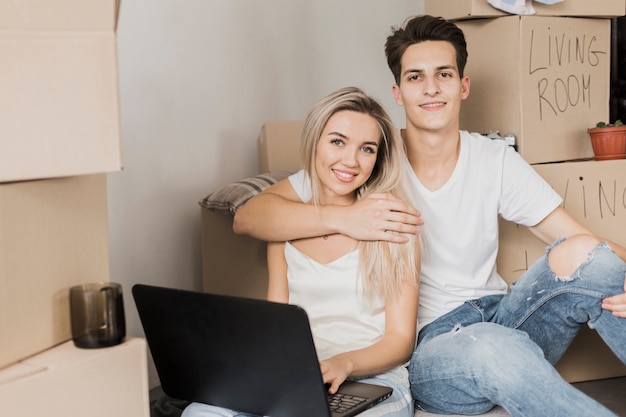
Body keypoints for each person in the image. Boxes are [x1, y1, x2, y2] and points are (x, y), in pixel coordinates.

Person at [234, 15, 626, 417]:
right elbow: (249, 217)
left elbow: (587, 246)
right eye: (415, 77)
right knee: (489, 346)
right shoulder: (368, 159)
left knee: (586, 254)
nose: (431, 88)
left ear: (463, 85)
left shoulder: (494, 160)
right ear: (398, 93)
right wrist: (345, 220)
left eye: (444, 74)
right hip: (432, 346)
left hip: (501, 315)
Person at [183, 87, 421, 417]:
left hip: (374, 378)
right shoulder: (285, 228)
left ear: (378, 158)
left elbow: (399, 339)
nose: (350, 160)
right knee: (199, 413)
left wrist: (345, 363)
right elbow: (276, 324)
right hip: (297, 374)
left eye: (366, 149)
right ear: (314, 142)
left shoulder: (395, 225)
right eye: (337, 141)